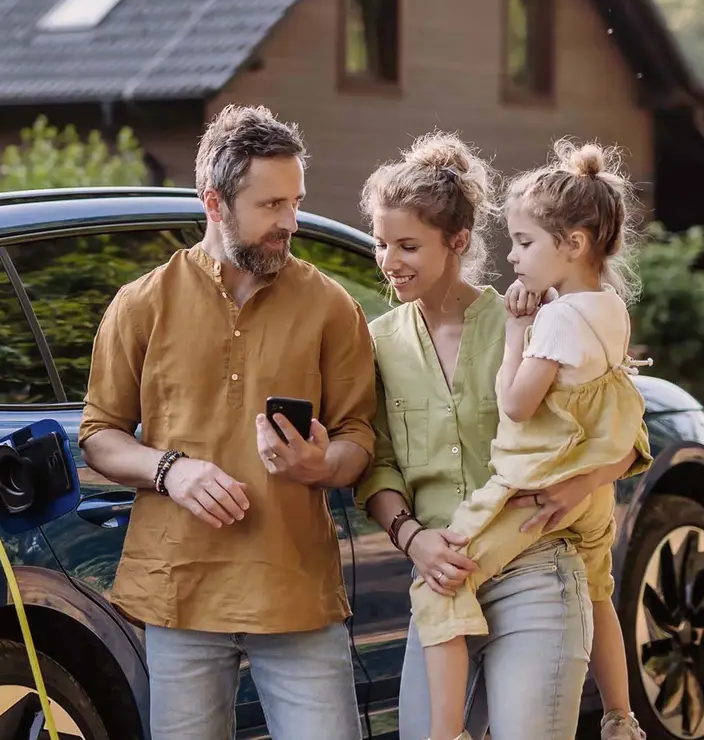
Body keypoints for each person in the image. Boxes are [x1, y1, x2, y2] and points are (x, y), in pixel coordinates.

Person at [79, 103, 377, 740]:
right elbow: (99, 437)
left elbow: (359, 438)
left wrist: (321, 464)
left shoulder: (331, 307)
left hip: (295, 591)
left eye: (294, 202)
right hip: (179, 592)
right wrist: (169, 470)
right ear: (214, 202)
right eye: (271, 206)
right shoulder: (141, 305)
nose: (289, 222)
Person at [355, 132, 650, 740]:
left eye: (407, 245)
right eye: (382, 244)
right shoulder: (378, 342)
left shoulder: (534, 317)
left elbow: (615, 426)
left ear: (458, 242)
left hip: (537, 565)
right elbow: (377, 464)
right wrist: (412, 540)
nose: (388, 260)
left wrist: (580, 487)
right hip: (443, 574)